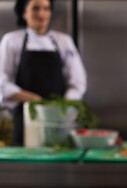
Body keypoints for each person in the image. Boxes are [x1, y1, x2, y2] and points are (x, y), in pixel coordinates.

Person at [0, 0, 86, 146]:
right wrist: (33, 99)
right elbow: (2, 81)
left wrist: (62, 107)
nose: (41, 13)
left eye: (46, 9)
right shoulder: (12, 41)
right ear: (24, 13)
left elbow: (78, 82)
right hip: (25, 117)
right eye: (35, 8)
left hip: (59, 120)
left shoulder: (64, 41)